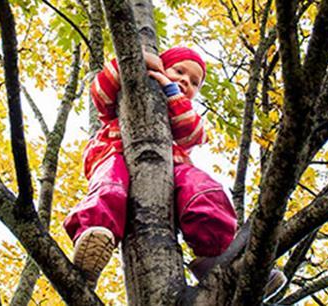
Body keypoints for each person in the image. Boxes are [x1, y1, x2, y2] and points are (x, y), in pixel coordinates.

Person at [63, 47, 238, 288]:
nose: (185, 81)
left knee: (202, 189)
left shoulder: (183, 113)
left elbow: (192, 134)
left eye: (194, 82)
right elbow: (100, 92)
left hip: (171, 169)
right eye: (179, 71)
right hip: (116, 152)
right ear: (160, 67)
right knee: (109, 185)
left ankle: (218, 254)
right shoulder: (122, 103)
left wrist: (171, 90)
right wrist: (135, 60)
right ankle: (95, 235)